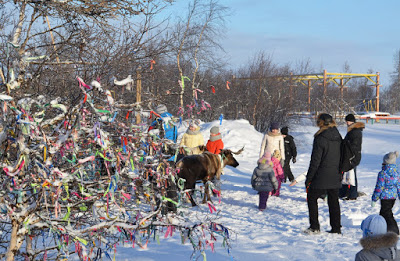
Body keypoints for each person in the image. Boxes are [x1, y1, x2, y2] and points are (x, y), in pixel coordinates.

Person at [304, 113, 342, 234]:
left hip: (321, 175)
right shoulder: (338, 135)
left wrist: (309, 178)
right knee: (333, 200)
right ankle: (336, 228)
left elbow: (315, 161)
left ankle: (314, 227)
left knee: (311, 198)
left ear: (320, 122)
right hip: (335, 173)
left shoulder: (320, 137)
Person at [372, 151, 400, 235]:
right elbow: (398, 186)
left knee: (386, 214)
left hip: (385, 197)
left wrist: (374, 198)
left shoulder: (383, 173)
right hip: (393, 197)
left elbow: (379, 187)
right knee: (385, 213)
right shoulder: (396, 173)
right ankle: (385, 229)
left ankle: (393, 230)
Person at [339, 113, 365, 200]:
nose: (347, 123)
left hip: (352, 156)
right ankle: (345, 192)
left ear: (352, 121)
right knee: (347, 174)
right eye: (346, 121)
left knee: (351, 175)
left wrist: (350, 155)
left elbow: (353, 146)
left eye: (348, 121)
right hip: (351, 156)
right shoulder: (353, 130)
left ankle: (352, 195)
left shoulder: (355, 131)